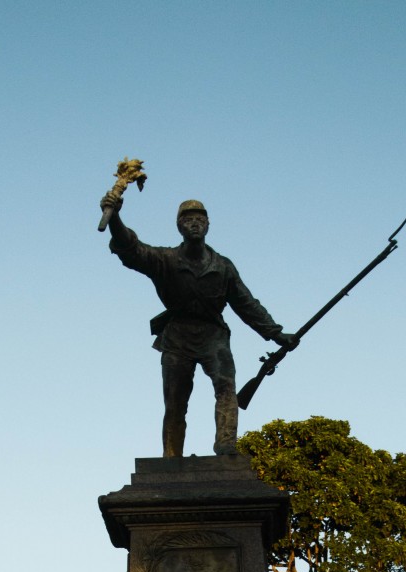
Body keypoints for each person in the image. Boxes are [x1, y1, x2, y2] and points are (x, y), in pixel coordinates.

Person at [101, 192, 297, 457]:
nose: (194, 223)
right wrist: (116, 217)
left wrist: (275, 334)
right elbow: (132, 249)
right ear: (179, 227)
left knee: (226, 388)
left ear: (208, 225)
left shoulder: (223, 266)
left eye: (200, 219)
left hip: (213, 336)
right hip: (177, 337)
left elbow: (246, 303)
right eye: (188, 219)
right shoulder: (165, 260)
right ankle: (172, 456)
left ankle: (226, 445)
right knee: (175, 403)